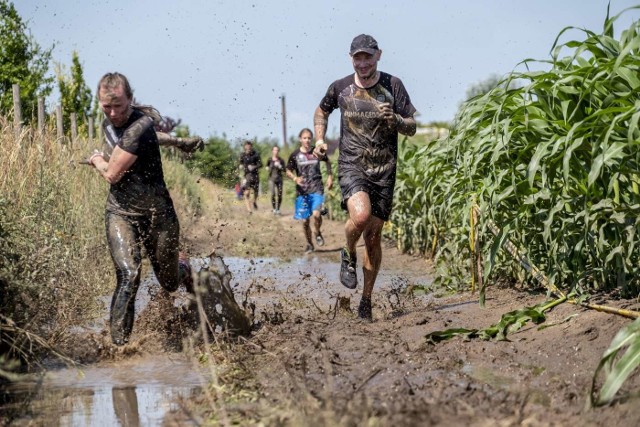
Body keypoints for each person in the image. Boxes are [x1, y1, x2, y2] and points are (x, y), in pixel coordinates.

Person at [87, 72, 200, 346]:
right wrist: (177, 141)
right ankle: (119, 348)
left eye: (119, 107)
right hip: (121, 211)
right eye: (106, 107)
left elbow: (112, 174)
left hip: (157, 214)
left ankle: (183, 267)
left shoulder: (141, 125)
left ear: (131, 100)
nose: (113, 113)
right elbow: (145, 140)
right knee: (129, 274)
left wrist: (97, 160)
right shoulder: (112, 123)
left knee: (169, 283)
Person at [313, 34, 417, 320]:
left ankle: (366, 301)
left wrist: (395, 120)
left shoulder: (393, 85)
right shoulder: (340, 87)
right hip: (352, 164)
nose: (363, 63)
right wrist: (320, 140)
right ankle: (348, 252)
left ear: (378, 56)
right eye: (357, 57)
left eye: (367, 57)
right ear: (351, 58)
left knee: (373, 235)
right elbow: (321, 111)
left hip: (384, 169)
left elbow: (412, 127)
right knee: (360, 217)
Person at [286, 128, 333, 253]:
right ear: (300, 139)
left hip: (317, 188)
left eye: (309, 138)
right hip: (302, 192)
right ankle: (309, 243)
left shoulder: (317, 151)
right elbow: (288, 170)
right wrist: (295, 178)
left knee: (317, 215)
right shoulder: (295, 155)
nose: (307, 140)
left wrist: (330, 177)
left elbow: (328, 162)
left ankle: (317, 232)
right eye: (304, 138)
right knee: (305, 221)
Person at [239, 140, 262, 214]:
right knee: (246, 193)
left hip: (255, 175)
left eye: (249, 146)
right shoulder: (242, 155)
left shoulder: (256, 154)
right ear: (244, 147)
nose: (248, 148)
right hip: (247, 176)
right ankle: (249, 210)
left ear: (251, 147)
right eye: (246, 146)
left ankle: (254, 201)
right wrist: (240, 166)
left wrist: (254, 166)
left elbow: (261, 164)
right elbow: (240, 163)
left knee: (256, 192)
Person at [265, 145, 285, 215]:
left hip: (279, 179)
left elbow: (284, 169)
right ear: (272, 151)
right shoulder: (269, 159)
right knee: (273, 194)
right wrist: (267, 168)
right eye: (274, 150)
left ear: (278, 151)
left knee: (280, 194)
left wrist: (280, 166)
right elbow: (266, 166)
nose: (276, 151)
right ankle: (274, 209)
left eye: (277, 150)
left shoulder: (281, 160)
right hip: (271, 179)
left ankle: (278, 209)